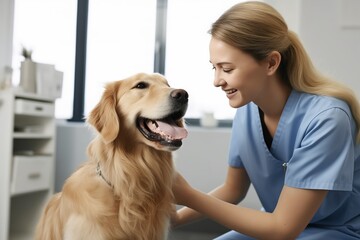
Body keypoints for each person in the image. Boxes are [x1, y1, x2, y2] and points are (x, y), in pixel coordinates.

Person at [171, 1, 360, 239]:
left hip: (335, 231)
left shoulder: (328, 119)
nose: (217, 80)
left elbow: (283, 229)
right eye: (214, 68)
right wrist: (177, 218)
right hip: (274, 225)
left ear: (271, 63)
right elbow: (233, 189)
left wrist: (187, 194)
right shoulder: (247, 111)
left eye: (227, 69)